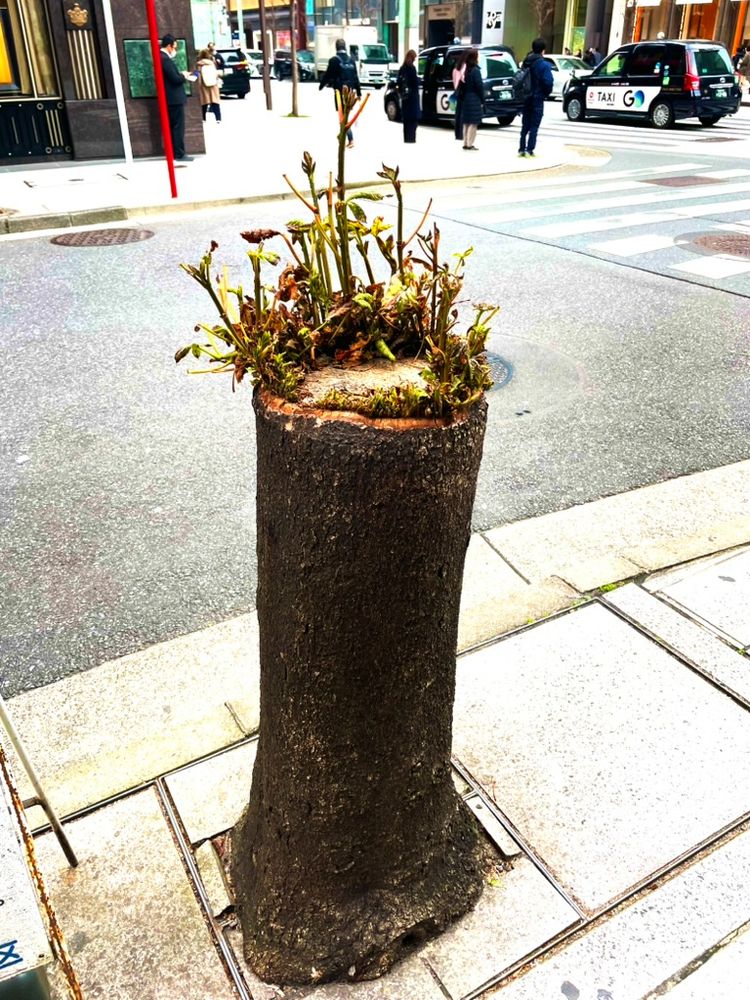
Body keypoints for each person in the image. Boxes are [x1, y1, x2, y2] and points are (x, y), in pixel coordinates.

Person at [319, 38, 361, 148]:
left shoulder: (334, 60)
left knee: (342, 117)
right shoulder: (351, 60)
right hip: (351, 94)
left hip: (339, 93)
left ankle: (349, 138)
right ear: (345, 47)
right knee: (344, 116)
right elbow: (356, 77)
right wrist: (359, 92)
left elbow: (328, 75)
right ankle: (342, 135)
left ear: (336, 48)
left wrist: (321, 86)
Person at [518, 37, 554, 158]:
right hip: (537, 97)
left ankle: (521, 148)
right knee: (534, 125)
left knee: (525, 124)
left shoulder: (526, 62)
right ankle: (530, 149)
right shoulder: (544, 65)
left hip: (526, 97)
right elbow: (548, 82)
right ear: (543, 50)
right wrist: (545, 93)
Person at [160, 34, 193, 161]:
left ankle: (176, 152)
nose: (175, 50)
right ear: (169, 46)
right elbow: (174, 79)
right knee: (178, 127)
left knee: (174, 127)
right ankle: (179, 153)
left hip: (171, 99)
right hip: (174, 99)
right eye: (174, 47)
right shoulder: (165, 59)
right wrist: (183, 76)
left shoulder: (163, 58)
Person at [461, 48, 484, 150]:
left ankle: (465, 142)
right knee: (473, 123)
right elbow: (479, 86)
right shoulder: (476, 71)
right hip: (474, 98)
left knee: (466, 121)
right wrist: (482, 99)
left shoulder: (465, 70)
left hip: (466, 97)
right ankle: (470, 144)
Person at [397, 49, 420, 143]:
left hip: (405, 97)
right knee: (413, 119)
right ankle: (412, 138)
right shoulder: (412, 68)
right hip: (412, 97)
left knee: (406, 120)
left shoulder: (402, 68)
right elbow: (415, 82)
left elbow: (398, 82)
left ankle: (406, 138)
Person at [197, 48, 222, 123]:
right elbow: (216, 74)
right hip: (213, 84)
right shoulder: (212, 63)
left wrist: (199, 85)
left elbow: (198, 76)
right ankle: (218, 118)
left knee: (204, 102)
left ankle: (204, 118)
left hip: (204, 85)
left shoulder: (199, 64)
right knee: (215, 101)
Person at [452, 51, 466, 141]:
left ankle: (458, 134)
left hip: (457, 90)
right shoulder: (464, 66)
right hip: (463, 90)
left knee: (458, 113)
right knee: (462, 114)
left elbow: (455, 80)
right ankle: (460, 133)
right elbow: (463, 78)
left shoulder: (456, 67)